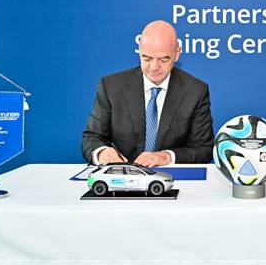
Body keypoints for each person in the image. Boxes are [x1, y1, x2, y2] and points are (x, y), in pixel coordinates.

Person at [81, 20, 214, 167]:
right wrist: (101, 152)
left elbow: (204, 149)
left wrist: (167, 157)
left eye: (163, 59)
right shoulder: (111, 87)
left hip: (171, 176)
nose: (154, 67)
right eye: (147, 58)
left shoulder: (195, 91)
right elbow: (92, 138)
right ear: (138, 51)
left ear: (177, 54)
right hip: (122, 176)